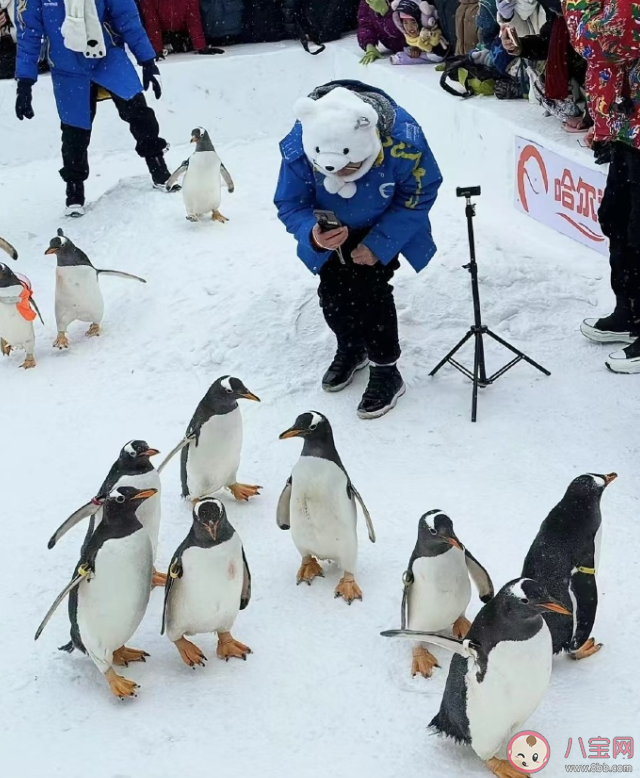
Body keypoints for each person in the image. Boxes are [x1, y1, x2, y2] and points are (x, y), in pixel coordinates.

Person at [274, 80, 442, 419]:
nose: (345, 175)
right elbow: (290, 202)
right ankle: (351, 348)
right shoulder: (303, 142)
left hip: (385, 222)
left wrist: (380, 243)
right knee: (333, 294)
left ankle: (385, 367)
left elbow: (419, 193)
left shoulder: (403, 141)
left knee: (370, 291)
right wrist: (313, 234)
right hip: (330, 229)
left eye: (353, 167)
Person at [14, 0, 176, 216]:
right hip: (67, 69)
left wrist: (147, 61)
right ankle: (74, 190)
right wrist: (25, 82)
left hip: (108, 58)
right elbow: (29, 33)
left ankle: (158, 166)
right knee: (74, 132)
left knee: (139, 113)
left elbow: (126, 18)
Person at [563, 0, 640, 372]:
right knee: (617, 219)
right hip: (627, 127)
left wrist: (587, 15)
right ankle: (630, 312)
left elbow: (596, 38)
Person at [357, 0, 405, 64]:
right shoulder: (367, 1)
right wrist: (369, 45)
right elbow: (365, 23)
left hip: (414, 48)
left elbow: (408, 29)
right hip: (393, 49)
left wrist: (386, 13)